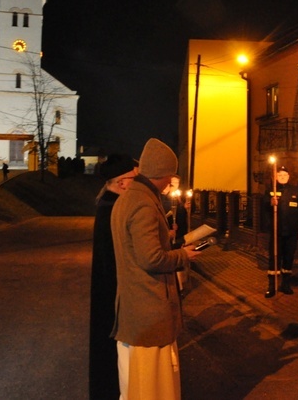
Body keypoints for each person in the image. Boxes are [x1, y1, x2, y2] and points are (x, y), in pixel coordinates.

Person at [111, 138, 200, 400]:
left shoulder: (129, 198)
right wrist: (182, 255)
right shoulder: (143, 204)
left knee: (136, 385)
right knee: (151, 387)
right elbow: (151, 259)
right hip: (148, 312)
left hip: (136, 310)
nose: (170, 182)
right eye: (170, 177)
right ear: (162, 174)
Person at [89, 154, 138, 400]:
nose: (137, 184)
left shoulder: (108, 203)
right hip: (112, 290)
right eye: (134, 178)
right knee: (111, 353)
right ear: (121, 182)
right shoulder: (114, 208)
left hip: (109, 288)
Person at [262, 165, 298, 297]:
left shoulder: (295, 191)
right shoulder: (271, 191)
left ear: (288, 177)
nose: (282, 177)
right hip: (277, 232)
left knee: (288, 258)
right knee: (274, 258)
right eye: (280, 175)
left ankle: (285, 284)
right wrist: (270, 203)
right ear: (276, 177)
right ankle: (271, 286)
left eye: (284, 175)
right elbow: (264, 207)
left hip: (292, 232)